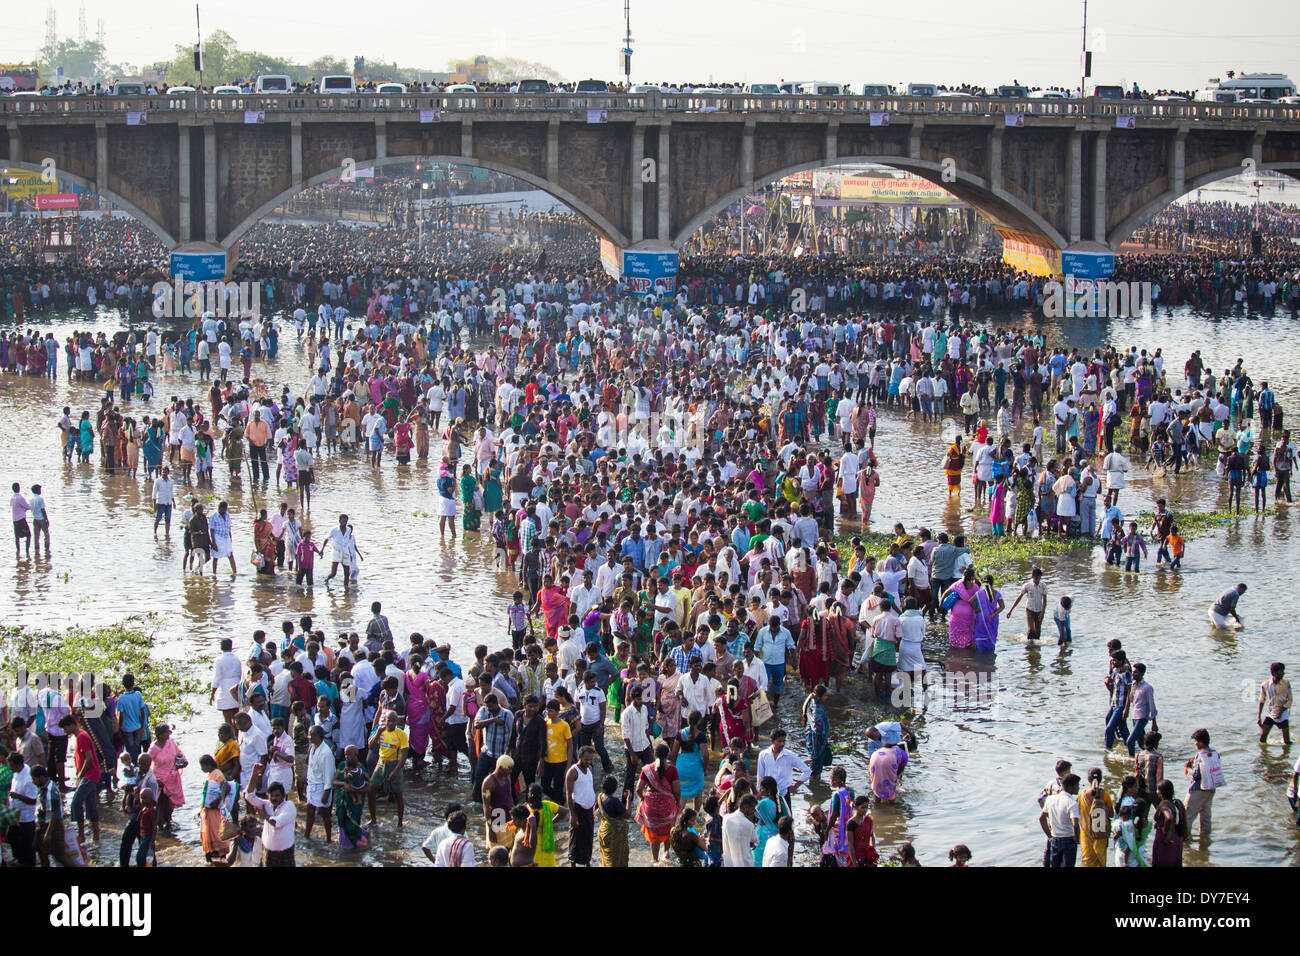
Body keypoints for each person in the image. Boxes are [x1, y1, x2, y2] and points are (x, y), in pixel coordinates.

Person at [1184, 727, 1223, 838]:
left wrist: (1188, 768)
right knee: (1206, 817)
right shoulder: (1215, 753)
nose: (1195, 743)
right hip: (1211, 789)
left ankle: (1185, 842)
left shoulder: (1199, 755)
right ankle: (1205, 843)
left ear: (1201, 742)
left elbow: (1196, 774)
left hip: (1197, 789)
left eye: (1196, 741)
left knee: (1187, 816)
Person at [1039, 772, 1081, 867]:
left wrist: (1049, 835)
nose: (1078, 787)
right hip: (1069, 839)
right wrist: (1077, 838)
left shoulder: (1050, 799)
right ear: (1071, 787)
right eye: (1077, 785)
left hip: (1055, 838)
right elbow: (1075, 824)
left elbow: (1042, 818)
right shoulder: (1072, 803)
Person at [1077, 767, 1113, 867]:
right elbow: (1111, 814)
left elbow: (1078, 812)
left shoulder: (1082, 795)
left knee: (1087, 861)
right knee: (1100, 862)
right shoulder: (1105, 795)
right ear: (1101, 780)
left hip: (1086, 835)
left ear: (1088, 779)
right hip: (1100, 835)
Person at [1006, 566, 1048, 643]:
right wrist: (1010, 610)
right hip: (1030, 610)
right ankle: (1029, 649)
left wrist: (1042, 612)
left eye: (1039, 578)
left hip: (1039, 610)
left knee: (1037, 632)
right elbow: (1019, 598)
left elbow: (1045, 600)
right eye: (1036, 578)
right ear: (1033, 577)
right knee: (1031, 630)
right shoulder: (1027, 586)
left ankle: (1035, 651)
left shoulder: (1043, 586)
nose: (1038, 580)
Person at [722, 793, 759, 867]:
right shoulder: (749, 824)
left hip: (729, 863)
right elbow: (755, 841)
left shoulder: (726, 819)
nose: (753, 812)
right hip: (745, 863)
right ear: (746, 807)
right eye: (753, 809)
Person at [1259, 662, 1292, 745]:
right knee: (1262, 739)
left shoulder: (1286, 683)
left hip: (1283, 713)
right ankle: (1264, 756)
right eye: (1281, 671)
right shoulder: (1265, 684)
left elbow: (1290, 700)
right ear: (1274, 673)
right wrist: (1259, 716)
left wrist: (1281, 710)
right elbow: (1262, 700)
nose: (1283, 673)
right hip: (1271, 713)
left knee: (1287, 742)